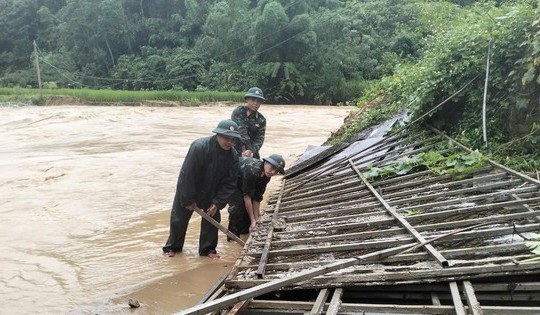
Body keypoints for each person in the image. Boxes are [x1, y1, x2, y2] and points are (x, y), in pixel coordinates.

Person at [162, 119, 241, 259]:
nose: (229, 142)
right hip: (190, 189)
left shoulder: (233, 156)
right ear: (217, 135)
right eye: (226, 138)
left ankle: (208, 249)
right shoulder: (199, 147)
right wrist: (187, 199)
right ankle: (173, 247)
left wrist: (217, 202)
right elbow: (187, 175)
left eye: (232, 140)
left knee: (213, 219)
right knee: (179, 219)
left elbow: (229, 183)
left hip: (212, 193)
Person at [227, 154, 285, 239]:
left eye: (276, 171)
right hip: (230, 179)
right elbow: (247, 197)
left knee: (249, 216)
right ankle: (232, 237)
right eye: (272, 168)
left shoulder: (267, 176)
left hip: (242, 179)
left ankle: (245, 232)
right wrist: (253, 219)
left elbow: (257, 198)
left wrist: (256, 220)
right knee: (238, 207)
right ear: (265, 162)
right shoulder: (253, 171)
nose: (273, 173)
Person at [231, 87, 266, 159]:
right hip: (235, 149)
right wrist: (248, 150)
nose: (255, 103)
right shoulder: (238, 112)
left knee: (259, 167)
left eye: (258, 101)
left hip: (252, 151)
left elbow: (260, 139)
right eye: (253, 100)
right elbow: (242, 132)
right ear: (247, 100)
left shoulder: (261, 119)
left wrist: (252, 151)